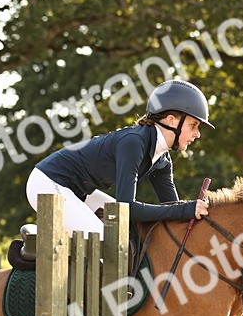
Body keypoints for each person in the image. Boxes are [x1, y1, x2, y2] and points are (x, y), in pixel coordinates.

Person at [25, 79, 212, 248]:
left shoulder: (162, 159)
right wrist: (185, 208)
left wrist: (194, 215)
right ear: (171, 121)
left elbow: (172, 207)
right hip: (48, 183)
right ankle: (38, 248)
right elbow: (126, 207)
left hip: (78, 191)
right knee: (108, 243)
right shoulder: (133, 143)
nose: (198, 134)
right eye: (193, 125)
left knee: (129, 231)